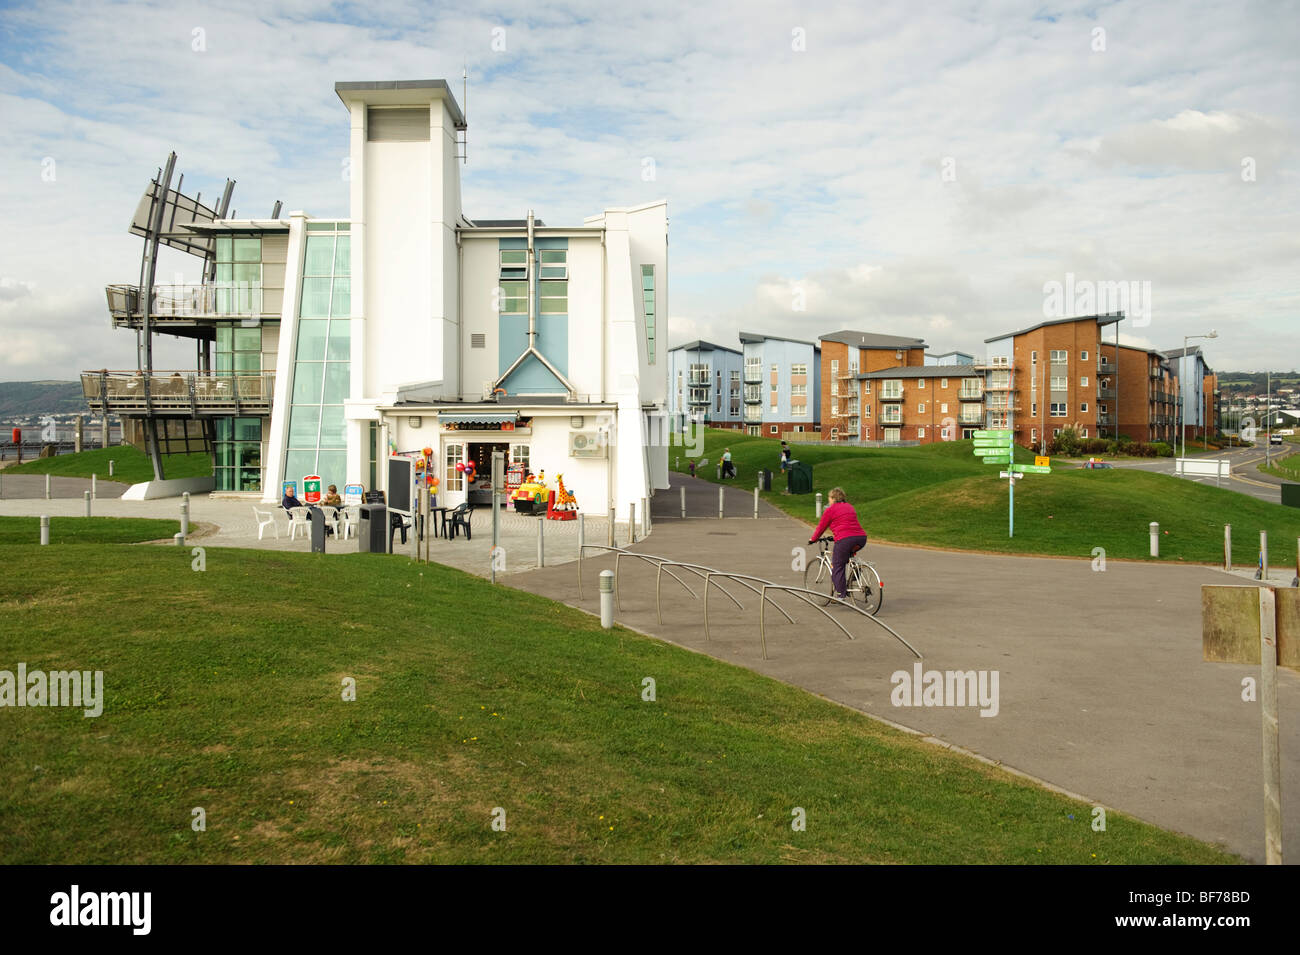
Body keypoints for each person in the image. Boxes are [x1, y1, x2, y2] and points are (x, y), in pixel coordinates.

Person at [807, 487, 867, 601]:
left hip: (845, 539)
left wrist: (813, 539)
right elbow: (847, 524)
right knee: (847, 556)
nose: (828, 500)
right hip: (861, 538)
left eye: (829, 498)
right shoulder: (850, 506)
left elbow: (821, 528)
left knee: (837, 566)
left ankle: (841, 595)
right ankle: (856, 570)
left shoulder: (830, 510)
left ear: (833, 498)